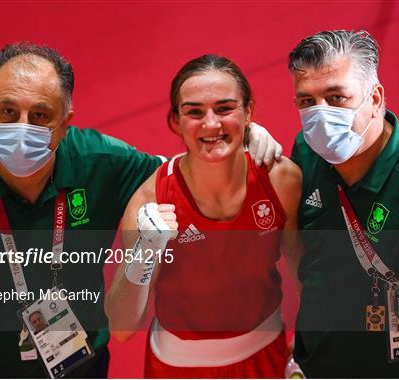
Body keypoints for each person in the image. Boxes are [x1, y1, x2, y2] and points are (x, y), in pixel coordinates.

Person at [0, 42, 282, 378]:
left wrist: (237, 139)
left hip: (80, 363)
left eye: (41, 114)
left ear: (65, 121)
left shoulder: (103, 162)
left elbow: (184, 171)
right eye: (7, 111)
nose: (21, 127)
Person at [105, 54, 303, 378]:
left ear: (248, 111)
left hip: (267, 356)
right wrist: (144, 253)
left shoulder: (281, 180)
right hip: (177, 369)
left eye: (225, 108)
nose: (211, 124)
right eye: (194, 112)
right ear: (175, 122)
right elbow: (121, 327)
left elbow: (303, 276)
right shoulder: (151, 200)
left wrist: (312, 343)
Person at [288, 30, 399, 377]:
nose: (320, 118)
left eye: (337, 97)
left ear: (375, 97)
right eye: (307, 101)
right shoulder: (306, 152)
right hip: (321, 366)